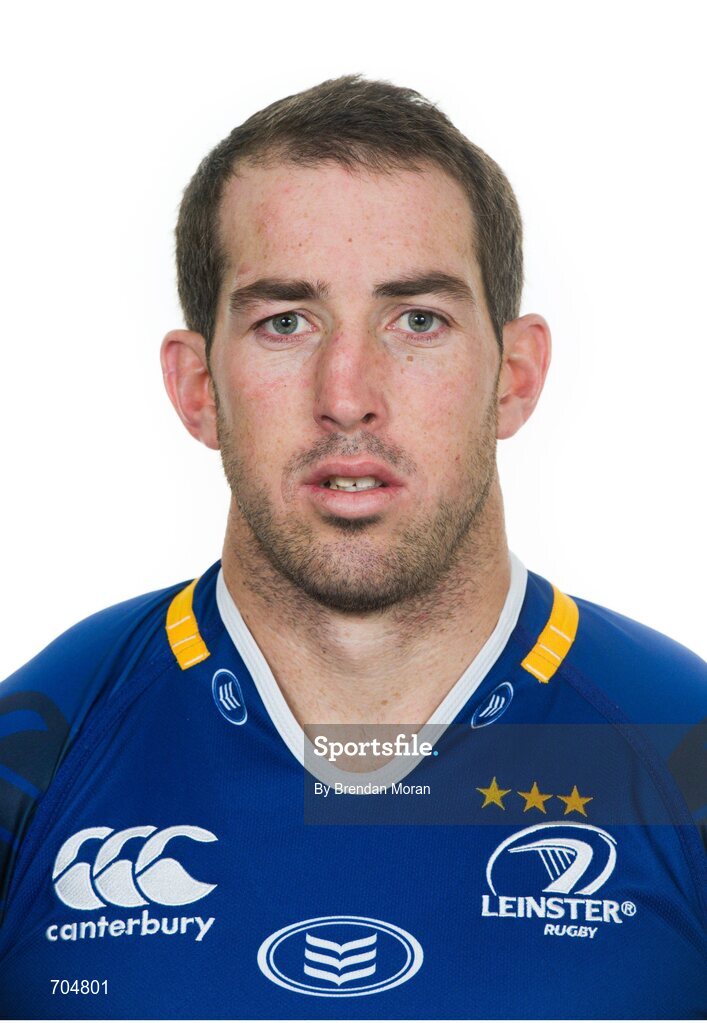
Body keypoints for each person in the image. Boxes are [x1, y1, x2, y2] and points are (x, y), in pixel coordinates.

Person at [0, 75, 704, 1020]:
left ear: (516, 376)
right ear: (197, 386)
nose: (347, 391)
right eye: (284, 320)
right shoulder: (34, 754)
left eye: (418, 319)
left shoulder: (683, 751)